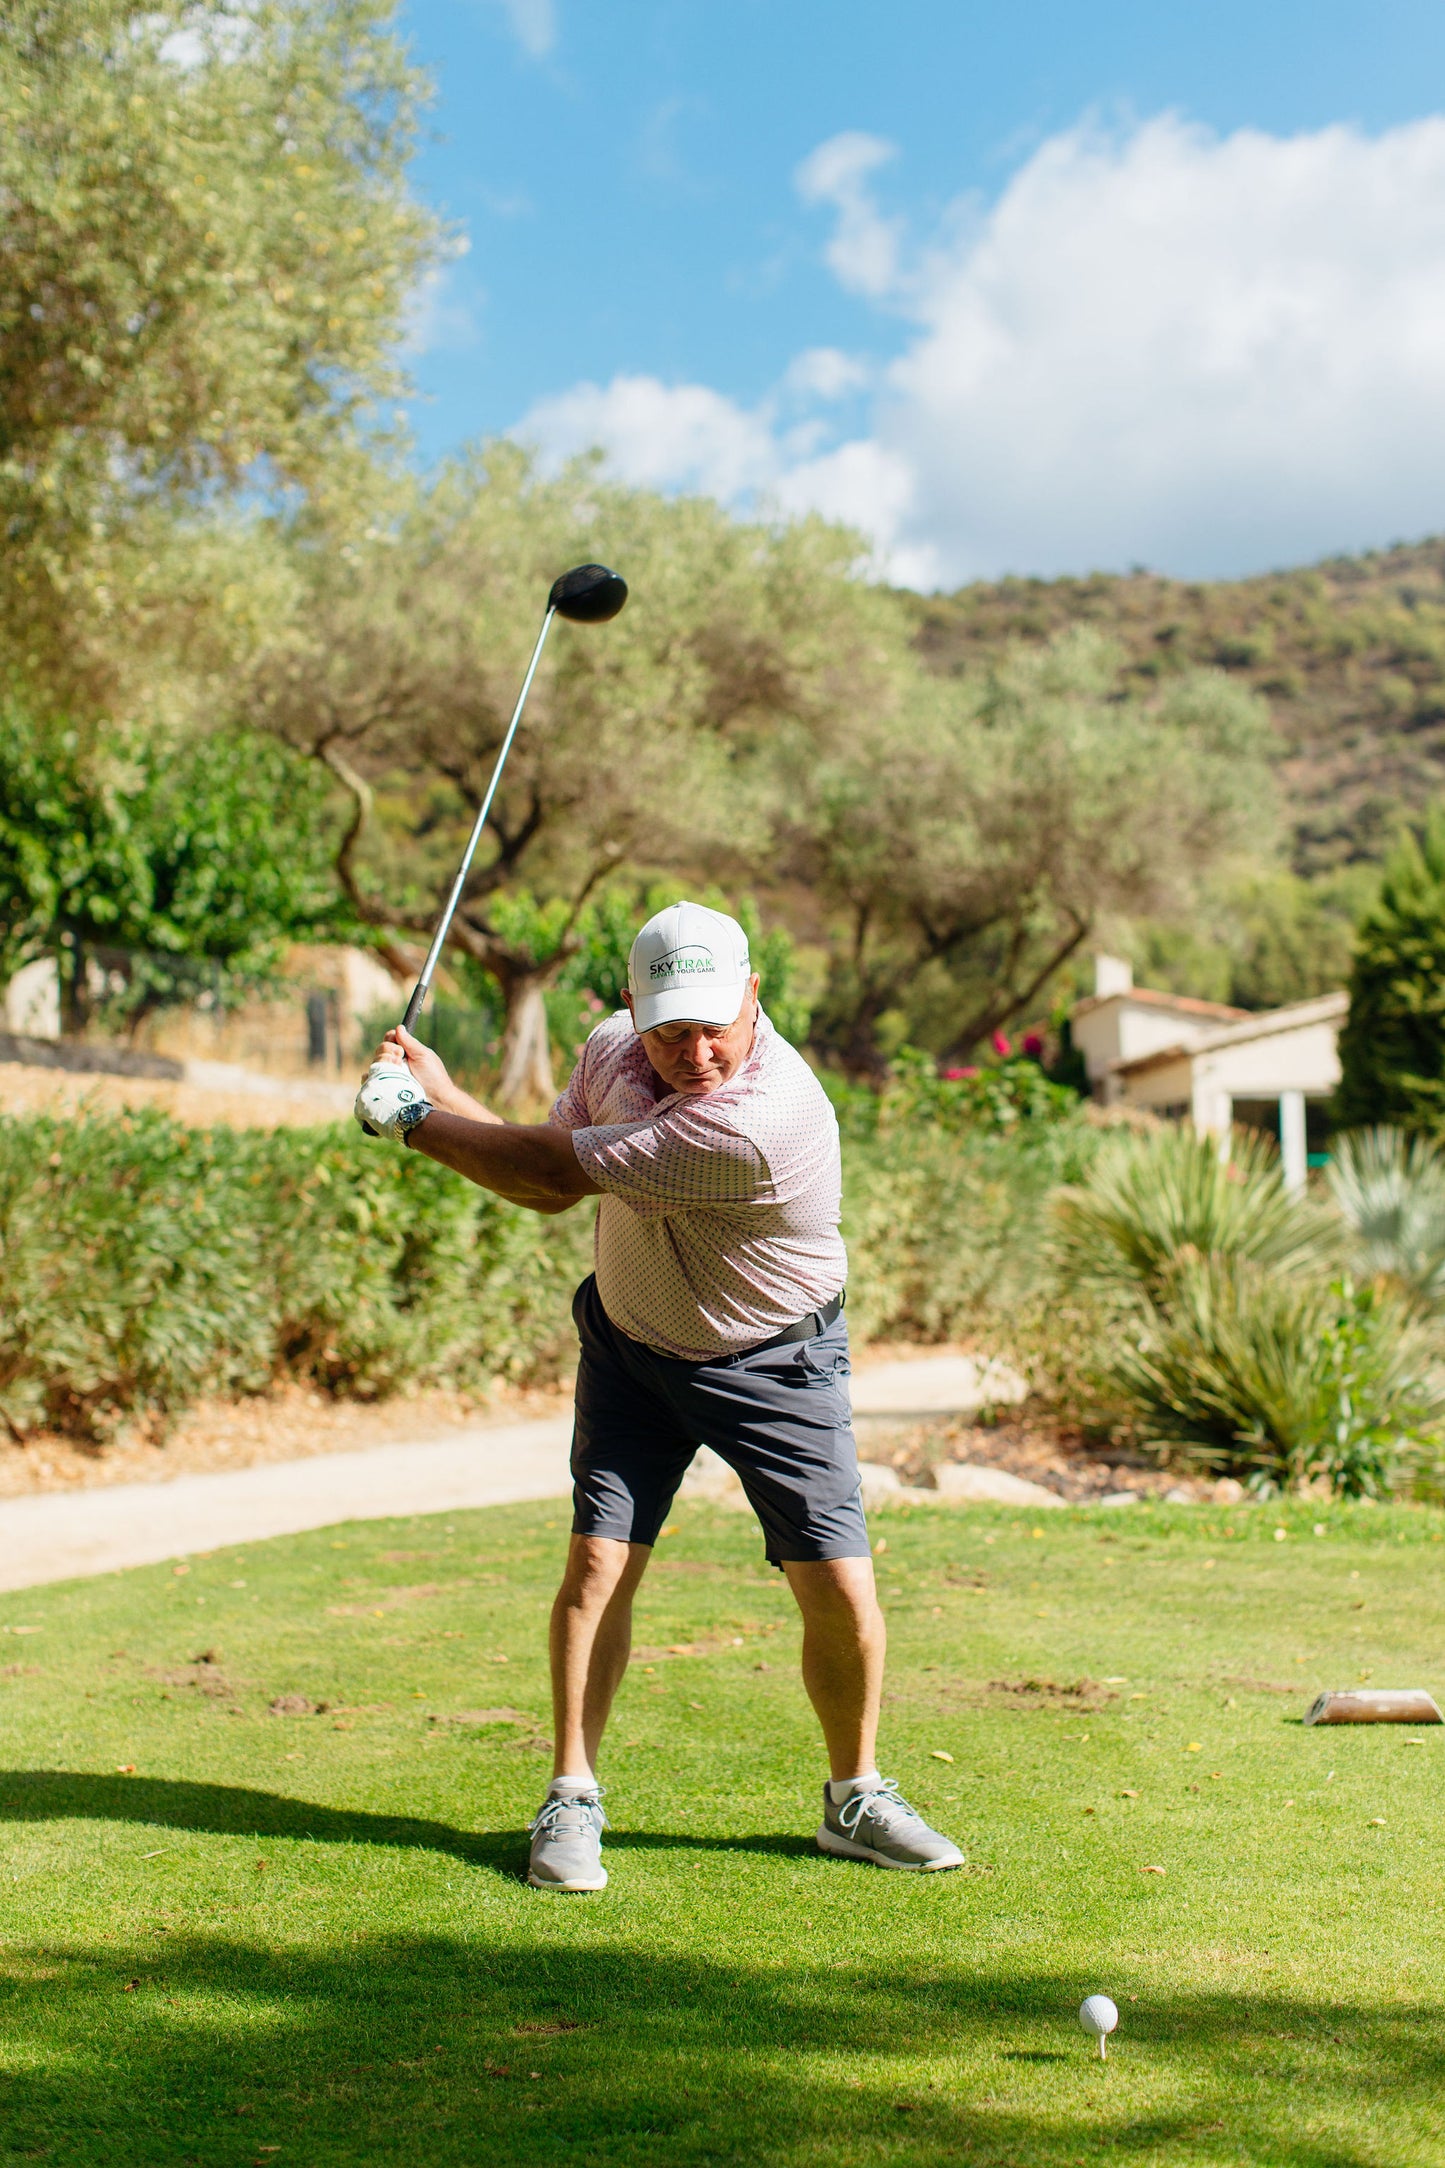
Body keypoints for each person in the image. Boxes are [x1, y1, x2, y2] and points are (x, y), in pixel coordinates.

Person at [356, 900, 962, 1892]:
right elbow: (547, 1145)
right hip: (632, 1342)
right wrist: (442, 1089)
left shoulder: (762, 1121)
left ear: (753, 995)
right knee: (594, 1566)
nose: (696, 1051)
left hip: (773, 1363)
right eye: (669, 1027)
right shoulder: (606, 1049)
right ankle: (570, 1791)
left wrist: (414, 1120)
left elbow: (555, 1181)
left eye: (715, 1023)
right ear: (630, 1006)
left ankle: (853, 1795)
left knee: (836, 1582)